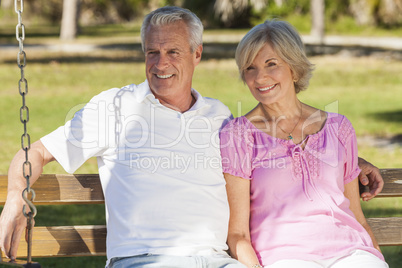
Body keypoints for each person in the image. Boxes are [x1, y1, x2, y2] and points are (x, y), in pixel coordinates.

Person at [0, 6, 383, 268]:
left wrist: (353, 162)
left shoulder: (220, 118)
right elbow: (34, 152)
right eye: (152, 52)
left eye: (172, 51)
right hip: (145, 258)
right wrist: (17, 195)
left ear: (197, 54)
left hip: (217, 260)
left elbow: (278, 142)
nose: (160, 64)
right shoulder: (114, 108)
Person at [219, 20, 389, 268]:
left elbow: (358, 218)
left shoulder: (338, 128)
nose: (260, 77)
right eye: (249, 68)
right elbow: (238, 235)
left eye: (271, 64)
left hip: (351, 253)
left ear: (295, 68)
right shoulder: (238, 136)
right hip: (285, 258)